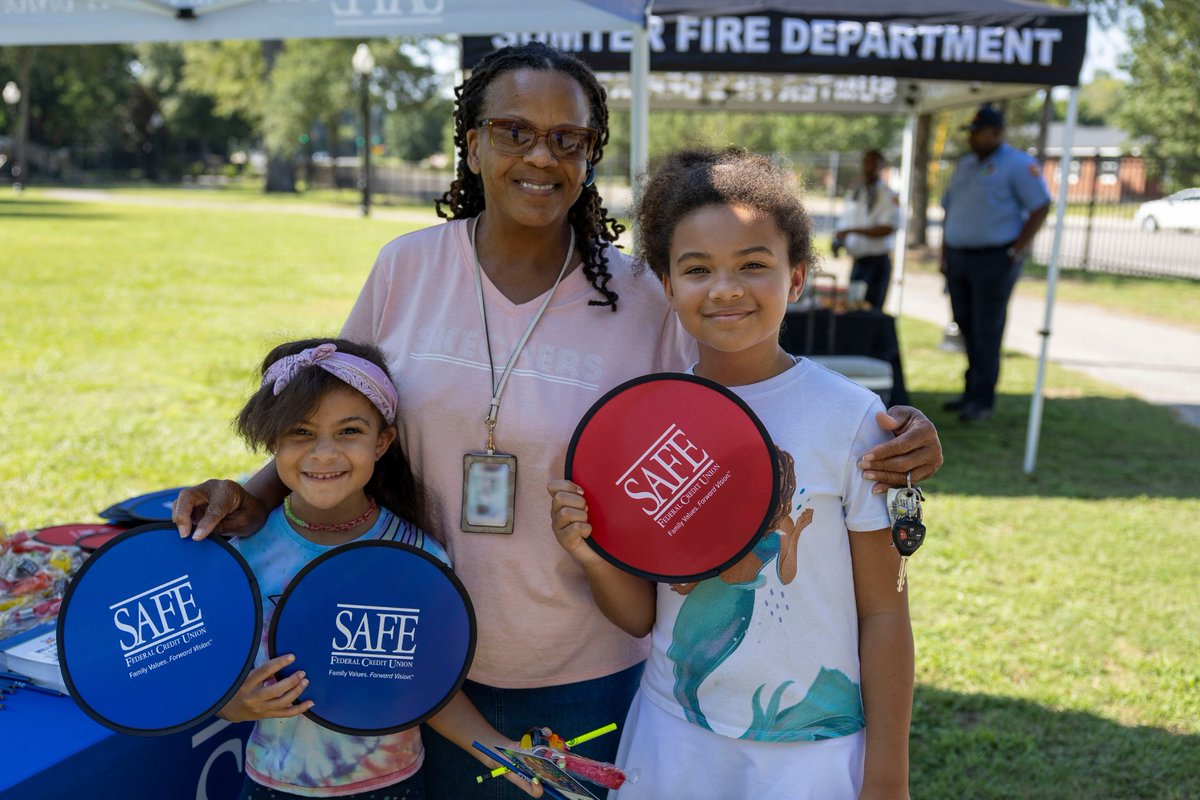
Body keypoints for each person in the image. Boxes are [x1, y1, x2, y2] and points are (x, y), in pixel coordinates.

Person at [174, 43, 941, 799]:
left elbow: (748, 400)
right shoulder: (406, 268)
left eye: (567, 138)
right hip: (413, 647)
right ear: (472, 144)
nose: (541, 156)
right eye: (514, 131)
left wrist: (890, 432)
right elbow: (338, 416)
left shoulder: (643, 294)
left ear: (590, 155)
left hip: (587, 667)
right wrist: (255, 493)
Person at [549, 148, 913, 799]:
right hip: (676, 736)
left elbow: (885, 612)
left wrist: (888, 774)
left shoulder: (854, 419)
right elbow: (641, 617)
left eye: (753, 265)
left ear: (796, 278)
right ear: (667, 286)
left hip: (812, 750)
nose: (725, 289)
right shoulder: (647, 424)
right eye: (697, 269)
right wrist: (592, 553)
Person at [218, 337, 539, 800]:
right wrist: (234, 706)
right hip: (273, 782)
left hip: (392, 785)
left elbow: (426, 684)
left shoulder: (418, 557)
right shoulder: (242, 554)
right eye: (301, 432)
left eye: (349, 431)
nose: (324, 453)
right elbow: (206, 677)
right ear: (272, 443)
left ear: (382, 442)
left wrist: (498, 750)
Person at [941, 103, 1050, 422]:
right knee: (965, 323)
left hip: (994, 258)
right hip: (960, 256)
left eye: (978, 132)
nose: (972, 138)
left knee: (986, 328)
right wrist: (945, 253)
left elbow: (1041, 206)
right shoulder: (965, 165)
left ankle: (982, 399)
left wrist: (1016, 249)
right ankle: (969, 391)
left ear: (997, 133)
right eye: (971, 132)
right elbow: (951, 210)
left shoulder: (1018, 165)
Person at [835, 149, 901, 310]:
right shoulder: (856, 193)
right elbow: (846, 223)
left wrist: (853, 231)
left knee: (871, 310)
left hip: (877, 263)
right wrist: (840, 240)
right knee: (852, 308)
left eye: (874, 164)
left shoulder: (888, 195)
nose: (869, 168)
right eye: (866, 163)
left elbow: (887, 228)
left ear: (881, 167)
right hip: (858, 262)